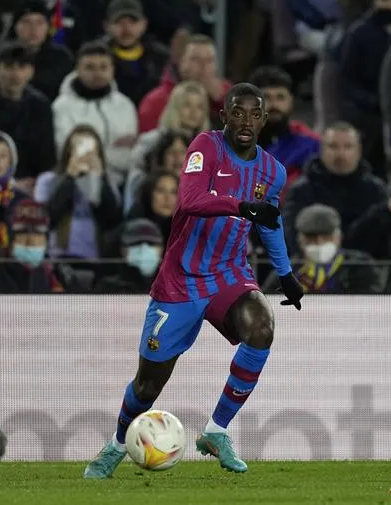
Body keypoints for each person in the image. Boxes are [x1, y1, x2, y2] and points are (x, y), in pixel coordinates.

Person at [83, 83, 304, 479]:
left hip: (230, 274)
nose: (245, 121)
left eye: (255, 115)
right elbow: (189, 200)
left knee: (262, 326)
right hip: (181, 281)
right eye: (237, 112)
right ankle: (117, 444)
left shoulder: (273, 171)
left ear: (265, 121)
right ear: (224, 117)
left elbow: (270, 222)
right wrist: (242, 206)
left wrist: (286, 275)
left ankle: (216, 431)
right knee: (148, 386)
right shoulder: (205, 147)